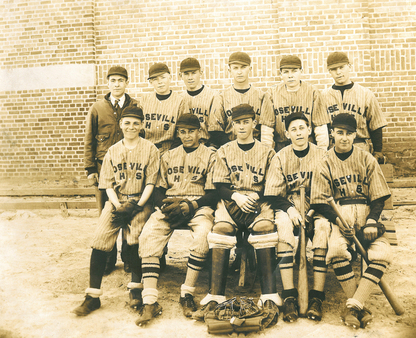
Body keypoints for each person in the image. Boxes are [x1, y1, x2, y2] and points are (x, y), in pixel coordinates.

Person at [193, 104, 281, 328]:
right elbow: (218, 186)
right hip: (231, 202)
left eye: (246, 122)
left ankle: (269, 296)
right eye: (237, 123)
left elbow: (271, 185)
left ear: (254, 123)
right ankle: (215, 296)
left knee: (263, 229)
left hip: (258, 203)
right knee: (221, 230)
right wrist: (236, 196)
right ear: (232, 126)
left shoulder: (268, 151)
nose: (242, 126)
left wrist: (254, 194)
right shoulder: (224, 150)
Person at [73, 106, 160, 316]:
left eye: (136, 123)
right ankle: (93, 296)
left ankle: (135, 289)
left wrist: (137, 205)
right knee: (100, 239)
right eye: (127, 122)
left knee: (136, 237)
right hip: (116, 201)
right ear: (121, 125)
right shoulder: (112, 150)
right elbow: (108, 185)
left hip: (140, 201)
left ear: (142, 125)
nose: (131, 127)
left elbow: (151, 183)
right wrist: (118, 205)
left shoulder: (151, 149)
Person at [311, 113, 392, 329]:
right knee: (336, 251)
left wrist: (373, 221)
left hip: (367, 214)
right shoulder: (324, 161)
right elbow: (319, 202)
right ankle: (358, 306)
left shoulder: (367, 158)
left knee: (382, 255)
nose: (344, 138)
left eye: (349, 133)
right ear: (332, 134)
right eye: (339, 133)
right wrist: (338, 221)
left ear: (355, 135)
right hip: (340, 216)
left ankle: (353, 305)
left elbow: (379, 196)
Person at [135, 114, 217, 326]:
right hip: (172, 205)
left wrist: (192, 205)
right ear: (177, 133)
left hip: (198, 205)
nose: (187, 135)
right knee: (149, 234)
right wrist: (164, 205)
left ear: (200, 132)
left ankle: (187, 293)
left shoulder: (210, 155)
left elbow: (213, 193)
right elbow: (159, 190)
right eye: (182, 131)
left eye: (191, 131)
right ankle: (150, 300)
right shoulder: (168, 155)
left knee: (203, 236)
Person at [264, 112, 330, 322]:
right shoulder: (280, 156)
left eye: (302, 128)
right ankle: (290, 294)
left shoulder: (323, 155)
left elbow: (329, 190)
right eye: (293, 129)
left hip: (318, 205)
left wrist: (311, 212)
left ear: (309, 130)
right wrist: (291, 210)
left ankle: (316, 297)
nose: (298, 133)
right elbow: (273, 194)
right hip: (290, 203)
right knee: (283, 224)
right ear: (287, 133)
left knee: (322, 229)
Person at [84, 66, 139, 274]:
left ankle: (128, 257)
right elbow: (89, 138)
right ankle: (107, 258)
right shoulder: (98, 108)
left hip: (129, 168)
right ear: (108, 83)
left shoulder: (134, 105)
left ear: (127, 83)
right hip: (103, 168)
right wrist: (90, 168)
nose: (117, 84)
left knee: (128, 210)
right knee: (105, 214)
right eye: (113, 80)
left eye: (120, 80)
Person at [321, 52, 387, 163]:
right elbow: (320, 128)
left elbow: (376, 125)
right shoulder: (323, 96)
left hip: (359, 145)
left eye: (341, 67)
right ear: (329, 72)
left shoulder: (365, 94)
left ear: (349, 67)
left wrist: (378, 151)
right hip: (333, 148)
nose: (338, 72)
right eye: (334, 69)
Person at [260, 55, 330, 151]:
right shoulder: (271, 93)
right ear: (280, 74)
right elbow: (267, 130)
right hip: (281, 147)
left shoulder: (313, 92)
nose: (290, 75)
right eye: (286, 72)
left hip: (308, 147)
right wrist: (268, 153)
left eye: (294, 71)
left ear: (301, 71)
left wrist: (322, 151)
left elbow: (320, 127)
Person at [208, 52, 273, 149]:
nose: (239, 71)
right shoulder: (221, 97)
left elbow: (266, 131)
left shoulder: (262, 96)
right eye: (235, 68)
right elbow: (216, 131)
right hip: (229, 148)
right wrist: (233, 149)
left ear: (250, 69)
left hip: (256, 149)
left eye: (243, 67)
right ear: (229, 70)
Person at [140, 62, 188, 156]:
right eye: (155, 79)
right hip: (146, 150)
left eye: (163, 77)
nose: (160, 82)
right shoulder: (144, 100)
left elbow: (182, 132)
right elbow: (139, 130)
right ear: (150, 82)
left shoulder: (180, 101)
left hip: (171, 150)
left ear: (170, 78)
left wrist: (171, 153)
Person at [179, 57, 218, 145]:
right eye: (186, 74)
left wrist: (212, 146)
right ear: (180, 75)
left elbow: (216, 128)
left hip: (207, 144)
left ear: (200, 73)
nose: (190, 77)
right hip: (185, 146)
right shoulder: (179, 99)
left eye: (193, 73)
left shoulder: (213, 96)